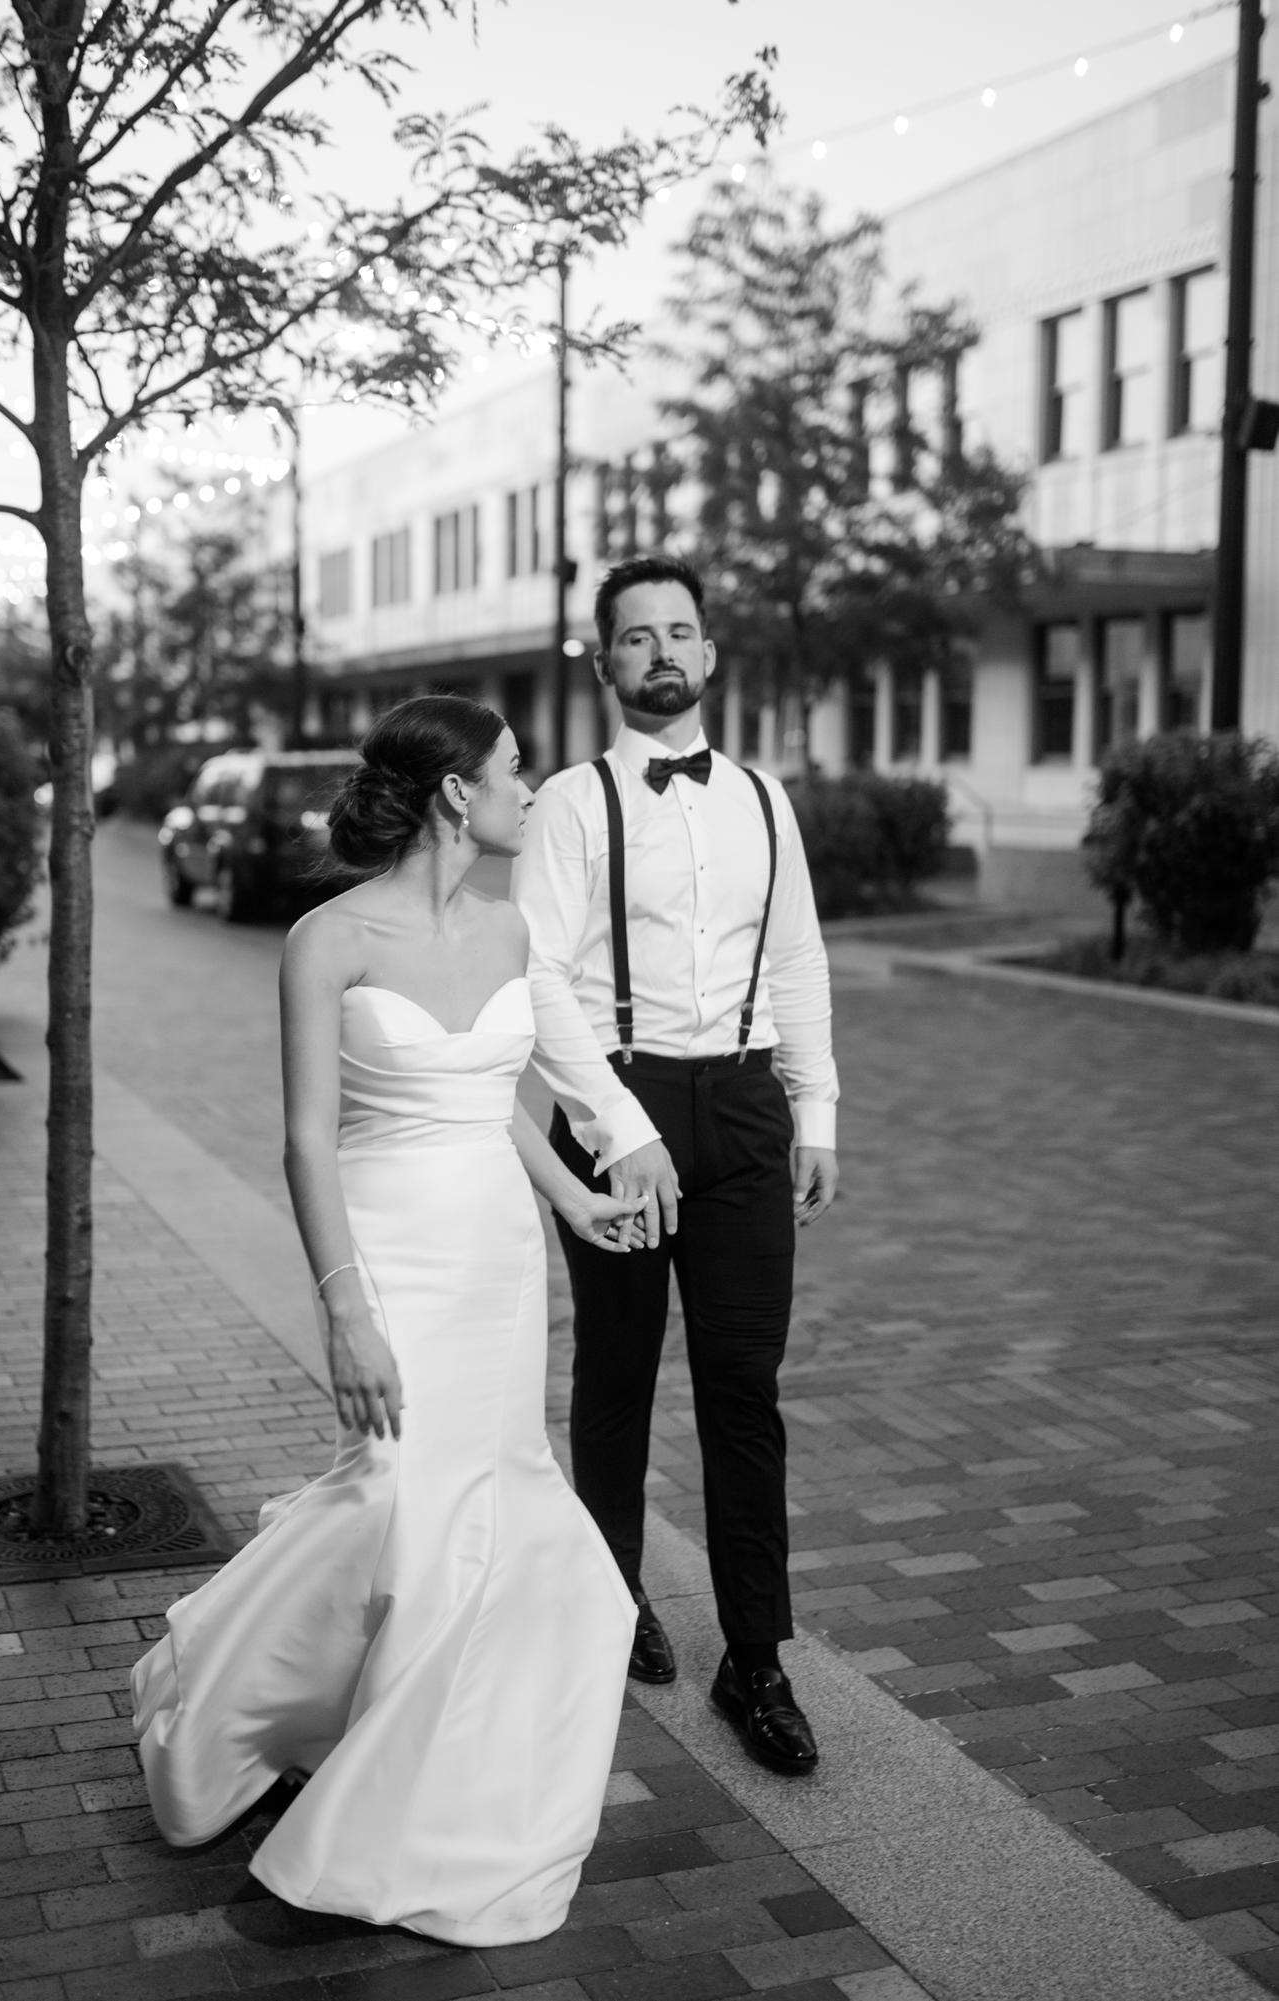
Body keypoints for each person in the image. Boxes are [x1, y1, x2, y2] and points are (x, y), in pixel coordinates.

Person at [130, 695, 647, 1947]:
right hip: (390, 1253)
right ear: (460, 794)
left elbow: (496, 1088)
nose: (537, 787)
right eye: (518, 770)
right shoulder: (324, 938)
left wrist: (575, 1197)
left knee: (483, 1500)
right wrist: (342, 1308)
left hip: (497, 1261)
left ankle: (434, 1775)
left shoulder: (510, 926)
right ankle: (234, 1703)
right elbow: (306, 1140)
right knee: (392, 1501)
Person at [511, 552, 841, 1777]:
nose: (661, 652)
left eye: (680, 633)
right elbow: (539, 977)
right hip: (619, 1101)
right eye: (636, 636)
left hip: (747, 1110)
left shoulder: (762, 799)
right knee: (617, 1374)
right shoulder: (567, 803)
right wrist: (620, 1126)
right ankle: (612, 1599)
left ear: (708, 656)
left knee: (745, 1393)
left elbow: (798, 959)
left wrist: (818, 1114)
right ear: (605, 665)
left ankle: (754, 1660)